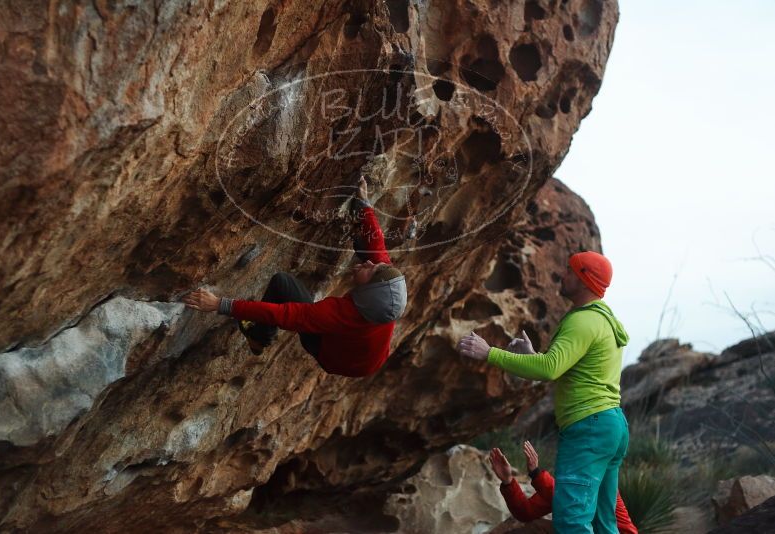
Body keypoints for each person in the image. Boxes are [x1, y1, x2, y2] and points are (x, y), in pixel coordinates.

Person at [458, 251, 630, 533]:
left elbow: (549, 368)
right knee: (603, 520)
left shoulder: (583, 321)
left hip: (589, 427)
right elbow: (562, 368)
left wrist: (489, 353)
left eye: (569, 271)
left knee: (572, 521)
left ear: (584, 279)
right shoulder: (603, 321)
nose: (562, 274)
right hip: (611, 425)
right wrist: (532, 356)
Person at [182, 176, 408, 377]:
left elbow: (285, 314)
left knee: (282, 283)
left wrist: (218, 304)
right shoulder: (384, 294)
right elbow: (377, 247)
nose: (370, 263)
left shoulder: (339, 315)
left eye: (371, 270)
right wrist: (363, 204)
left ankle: (259, 337)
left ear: (367, 293)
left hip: (335, 359)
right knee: (365, 245)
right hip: (368, 356)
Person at [488, 441, 637, 533]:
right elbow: (525, 512)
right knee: (535, 527)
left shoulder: (602, 482)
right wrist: (508, 481)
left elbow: (569, 495)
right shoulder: (565, 487)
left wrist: (536, 474)